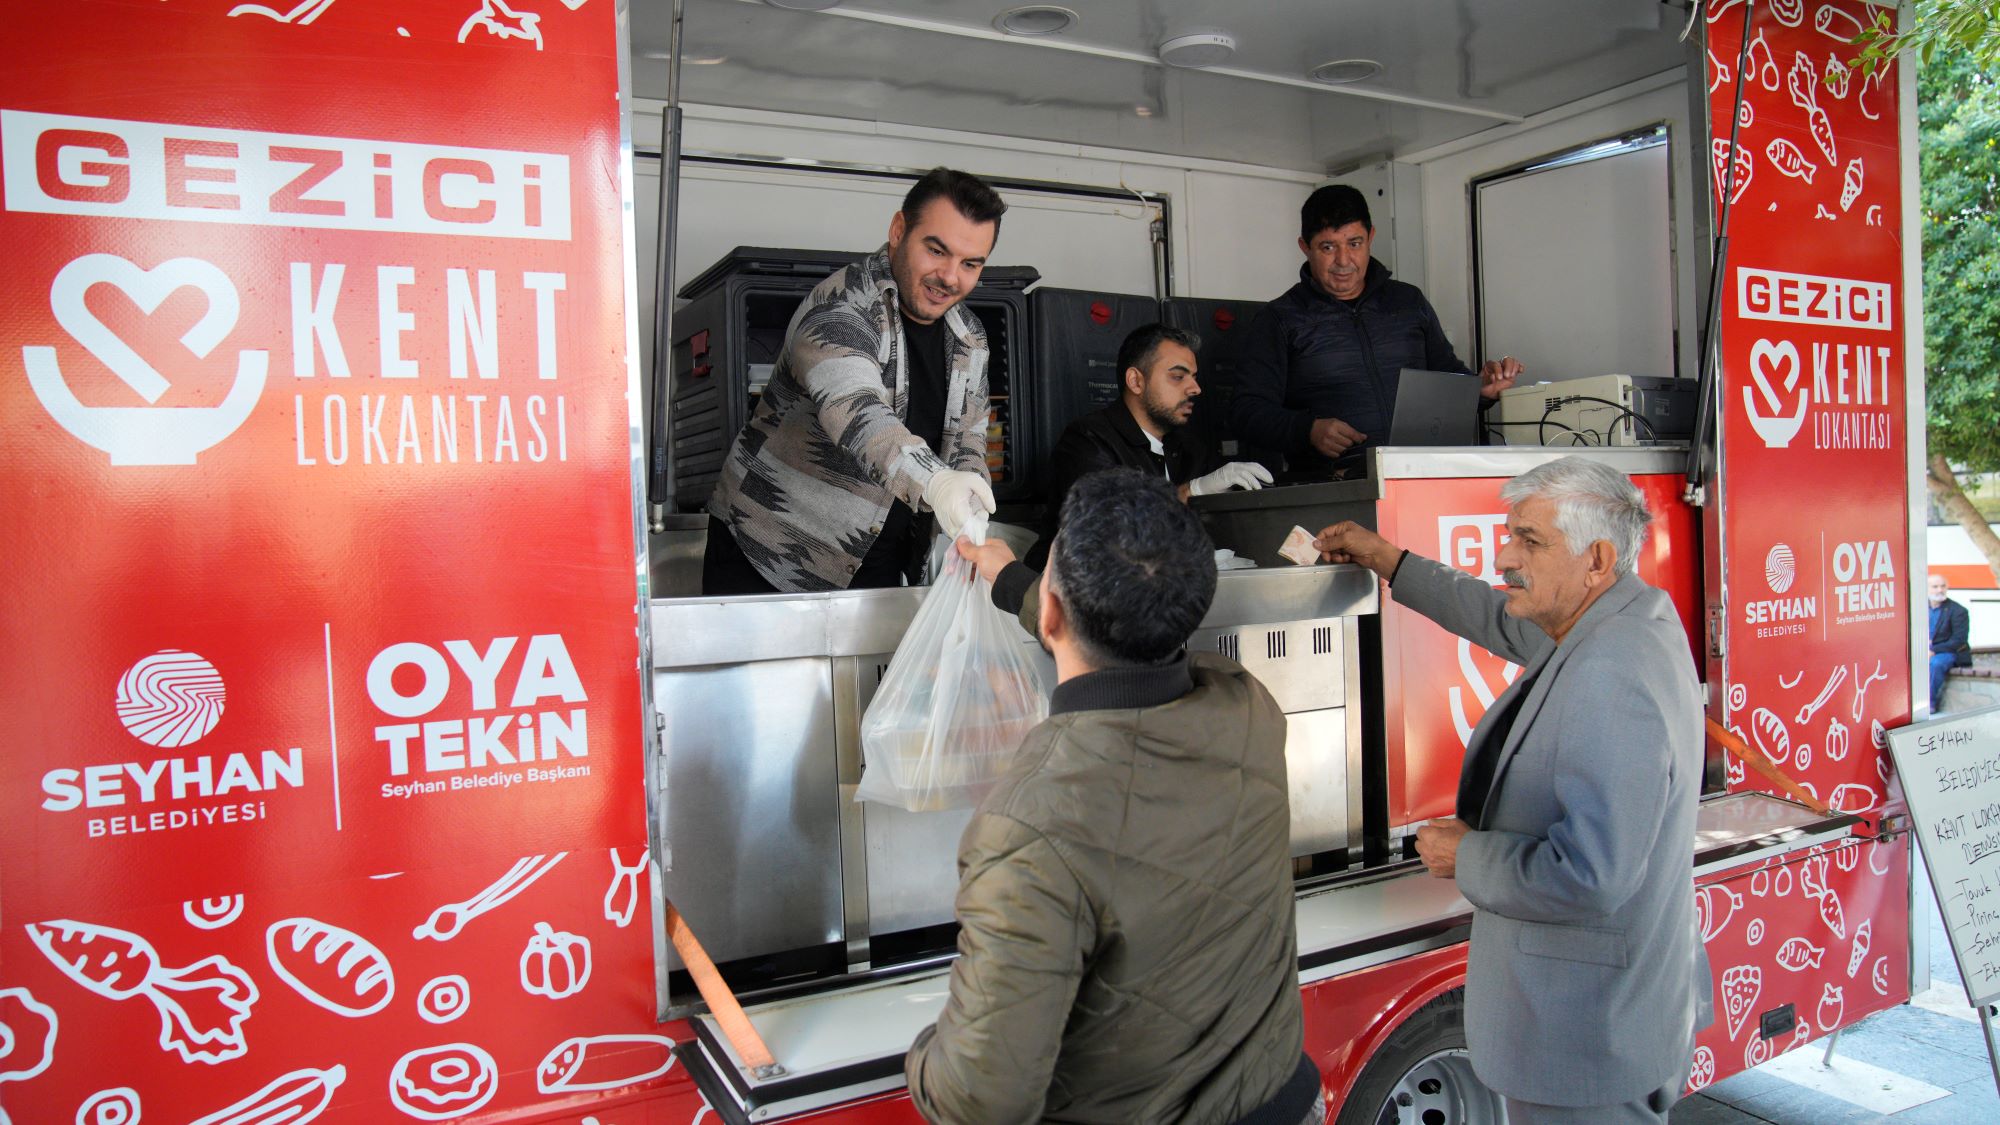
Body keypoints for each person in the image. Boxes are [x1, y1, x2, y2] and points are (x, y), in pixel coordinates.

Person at [908, 469, 1323, 1125]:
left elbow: (980, 1099)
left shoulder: (1029, 824)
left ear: (1050, 610)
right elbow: (1133, 644)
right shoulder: (1247, 707)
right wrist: (1014, 579)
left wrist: (927, 1050)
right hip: (1281, 1101)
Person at [1315, 456, 1708, 1124]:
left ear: (1597, 557)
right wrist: (1387, 559)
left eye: (1529, 540)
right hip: (1602, 1016)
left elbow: (1591, 874)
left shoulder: (1612, 673)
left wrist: (1464, 856)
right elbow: (1493, 615)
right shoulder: (1619, 614)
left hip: (1583, 1039)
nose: (1506, 555)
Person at [703, 167, 1005, 594]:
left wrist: (969, 507)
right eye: (937, 251)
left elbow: (969, 442)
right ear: (899, 230)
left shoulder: (968, 336)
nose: (951, 277)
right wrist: (936, 483)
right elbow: (856, 411)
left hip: (878, 565)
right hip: (768, 553)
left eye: (970, 263)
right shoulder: (841, 308)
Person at [1230, 184, 1523, 476]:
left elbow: (1447, 379)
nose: (1343, 261)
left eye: (1354, 244)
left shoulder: (1408, 302)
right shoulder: (1279, 319)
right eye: (1328, 247)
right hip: (1333, 487)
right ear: (1305, 247)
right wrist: (1307, 430)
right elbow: (1246, 412)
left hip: (1419, 477)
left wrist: (1479, 389)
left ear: (1371, 237)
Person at [1023, 322, 1272, 571]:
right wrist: (1190, 492)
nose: (1195, 388)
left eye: (1194, 377)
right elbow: (1111, 530)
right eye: (1177, 376)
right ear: (1135, 381)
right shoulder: (1087, 440)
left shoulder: (1189, 447)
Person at [1930, 573, 1973, 713]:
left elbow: (1959, 640)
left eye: (1943, 586)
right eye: (1935, 586)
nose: (1939, 590)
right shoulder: (1916, 608)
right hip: (1923, 650)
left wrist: (1933, 650)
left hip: (1948, 652)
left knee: (1935, 664)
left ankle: (1928, 703)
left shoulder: (1958, 611)